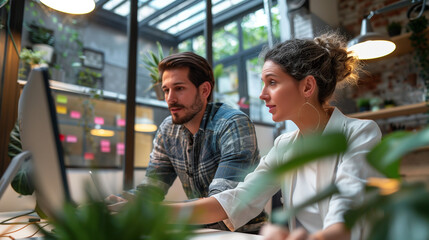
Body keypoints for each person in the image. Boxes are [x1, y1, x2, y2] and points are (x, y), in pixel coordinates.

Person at [167, 33, 382, 240]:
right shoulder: (285, 145)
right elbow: (240, 198)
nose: (262, 94)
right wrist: (158, 214)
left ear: (307, 86)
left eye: (272, 82)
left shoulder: (360, 133)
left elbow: (347, 208)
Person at [109, 52, 266, 233]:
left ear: (205, 90)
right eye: (166, 90)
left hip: (245, 234)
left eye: (179, 88)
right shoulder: (168, 130)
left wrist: (146, 212)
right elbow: (151, 189)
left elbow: (222, 206)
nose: (170, 98)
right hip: (199, 231)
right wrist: (118, 203)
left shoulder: (232, 124)